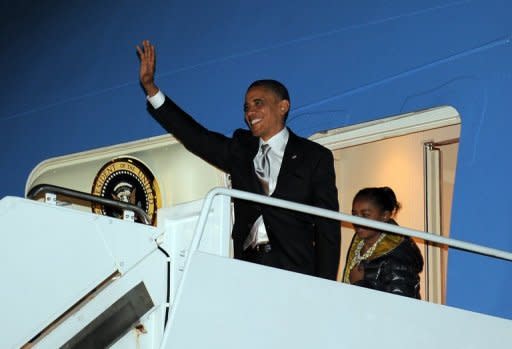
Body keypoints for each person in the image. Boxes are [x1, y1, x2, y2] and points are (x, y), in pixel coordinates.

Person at [137, 40, 340, 280]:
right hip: (247, 268)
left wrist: (327, 286)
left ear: (283, 106)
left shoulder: (314, 157)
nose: (249, 113)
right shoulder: (240, 150)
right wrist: (152, 89)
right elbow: (196, 137)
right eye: (246, 107)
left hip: (296, 268)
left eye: (258, 103)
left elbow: (328, 227)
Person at [342, 187, 423, 298]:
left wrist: (360, 283)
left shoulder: (400, 251)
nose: (357, 220)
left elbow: (401, 303)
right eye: (354, 215)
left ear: (385, 216)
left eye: (365, 215)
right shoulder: (359, 240)